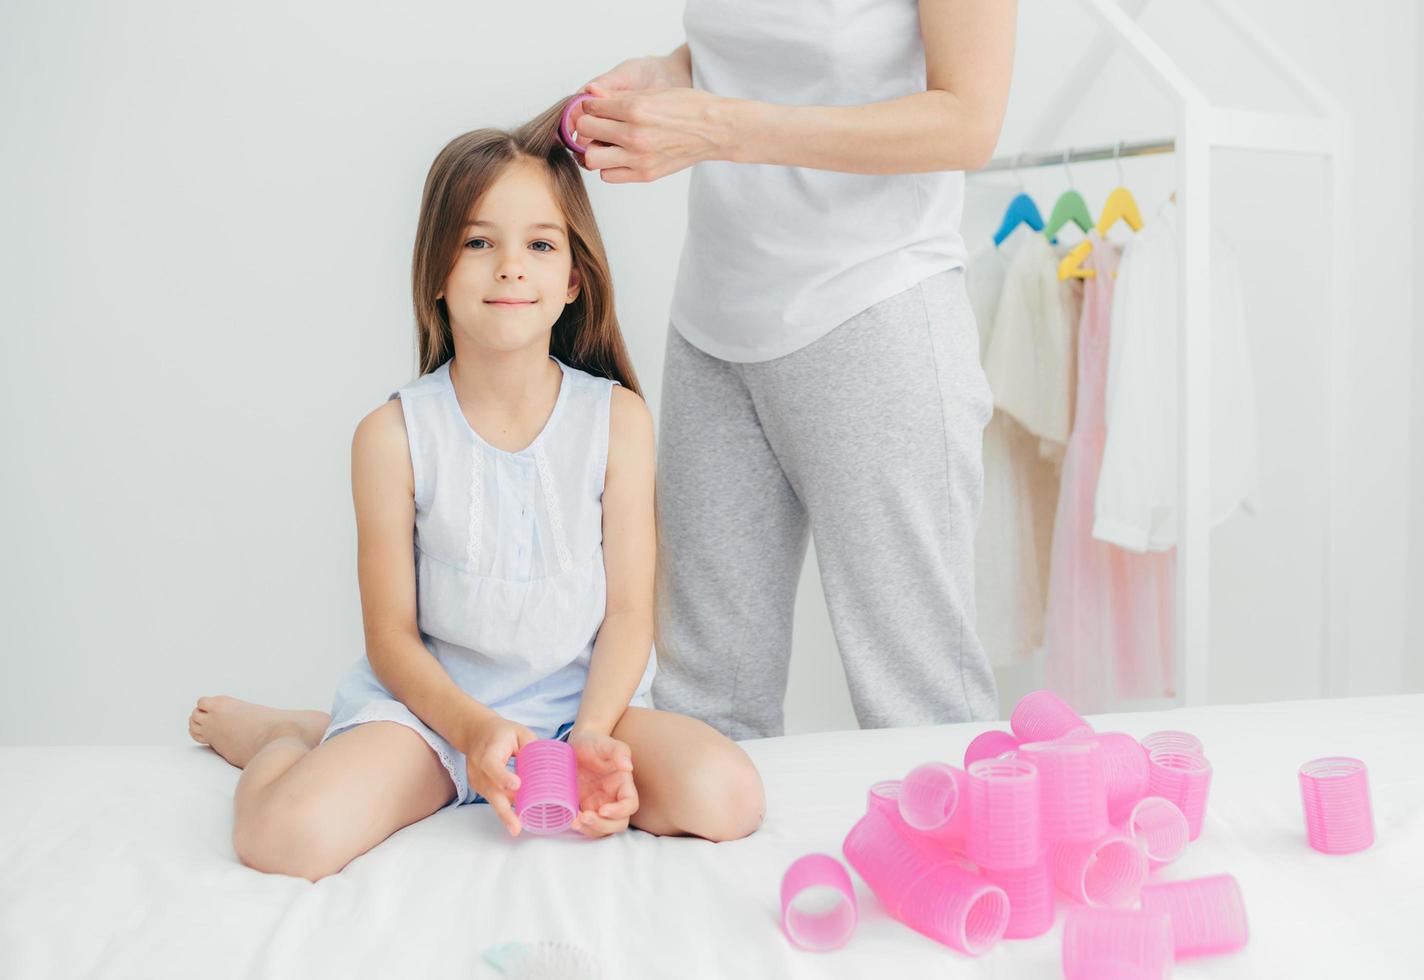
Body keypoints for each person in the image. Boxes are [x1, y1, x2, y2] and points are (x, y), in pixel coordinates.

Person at [188, 102, 764, 882]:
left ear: (573, 279)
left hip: (577, 709)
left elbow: (630, 613)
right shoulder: (391, 437)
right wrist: (474, 732)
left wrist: (591, 737)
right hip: (433, 720)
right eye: (479, 242)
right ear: (436, 276)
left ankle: (396, 740)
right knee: (284, 839)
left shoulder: (617, 421)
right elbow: (391, 636)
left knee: (728, 797)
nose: (511, 266)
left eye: (539, 243)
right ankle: (288, 737)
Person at [567, 0, 1019, 738]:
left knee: (918, 697)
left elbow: (969, 121)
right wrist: (670, 77)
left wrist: (715, 126)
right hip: (714, 321)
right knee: (703, 702)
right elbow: (776, 49)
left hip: (871, 309)